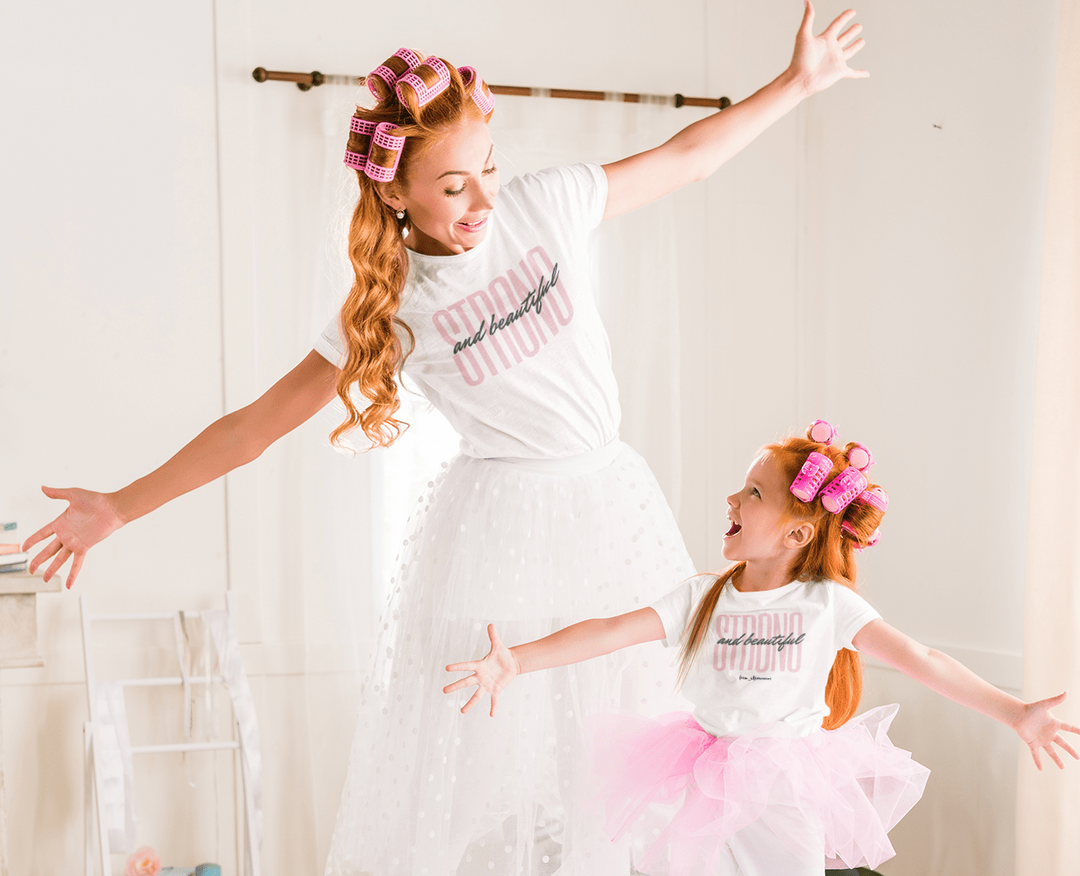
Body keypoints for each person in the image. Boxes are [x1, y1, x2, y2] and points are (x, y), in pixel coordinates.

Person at [24, 6, 871, 874]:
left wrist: (795, 84)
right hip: (498, 527)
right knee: (476, 748)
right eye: (455, 185)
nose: (483, 200)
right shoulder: (392, 308)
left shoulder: (543, 207)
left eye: (489, 169)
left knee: (630, 739)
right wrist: (120, 506)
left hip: (609, 502)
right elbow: (252, 429)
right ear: (396, 192)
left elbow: (687, 157)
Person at [444, 419, 1080, 876]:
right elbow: (610, 630)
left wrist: (1015, 712)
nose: (733, 498)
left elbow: (925, 660)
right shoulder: (703, 596)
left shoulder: (828, 605)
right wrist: (518, 659)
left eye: (753, 493)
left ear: (797, 534)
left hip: (784, 782)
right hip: (704, 772)